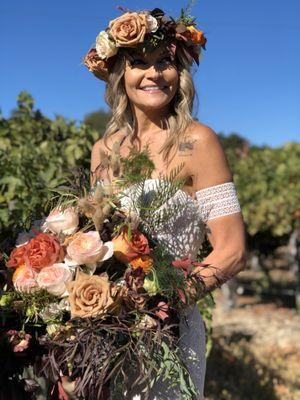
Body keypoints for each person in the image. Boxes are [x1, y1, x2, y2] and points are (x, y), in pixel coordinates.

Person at [85, 8, 246, 400]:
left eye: (165, 63)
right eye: (139, 63)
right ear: (120, 73)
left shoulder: (199, 142)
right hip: (108, 330)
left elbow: (232, 250)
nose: (154, 73)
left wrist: (163, 306)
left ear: (180, 73)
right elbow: (95, 245)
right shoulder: (102, 151)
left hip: (170, 329)